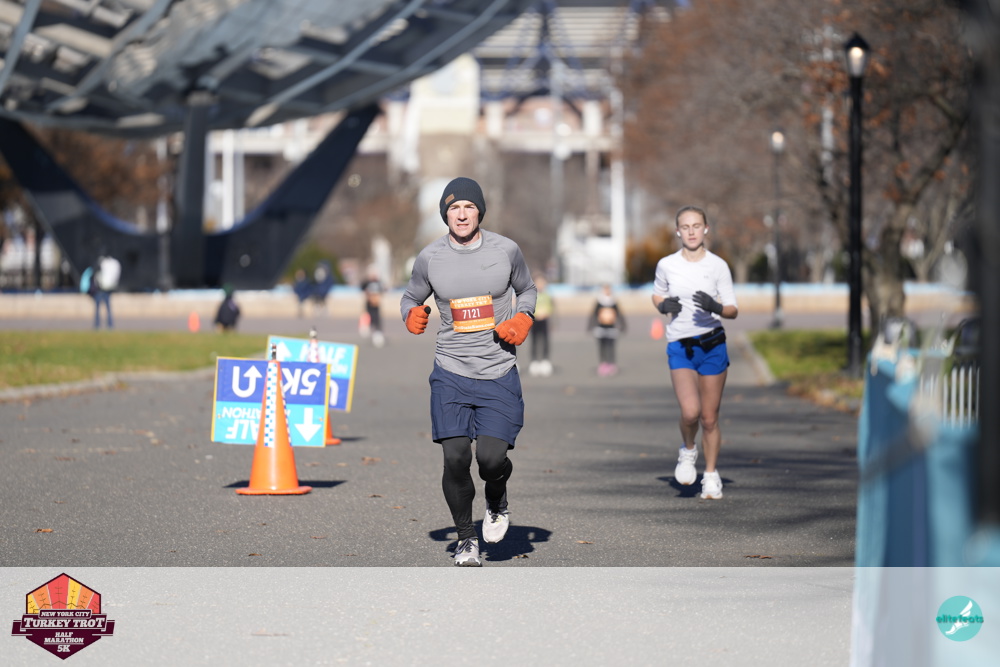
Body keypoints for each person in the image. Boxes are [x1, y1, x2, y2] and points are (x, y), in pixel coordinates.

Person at [400, 176, 537, 567]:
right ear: (446, 214)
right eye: (454, 208)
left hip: (498, 370)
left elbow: (527, 289)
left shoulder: (506, 250)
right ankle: (466, 539)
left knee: (491, 460)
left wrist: (524, 317)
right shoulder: (430, 257)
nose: (461, 214)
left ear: (480, 212)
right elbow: (411, 296)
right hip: (451, 371)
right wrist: (410, 314)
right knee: (456, 457)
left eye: (469, 207)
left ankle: (496, 499)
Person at [651, 205, 738, 500]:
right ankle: (688, 450)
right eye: (685, 227)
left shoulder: (718, 266)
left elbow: (733, 309)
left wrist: (716, 307)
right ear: (678, 231)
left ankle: (711, 475)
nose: (691, 232)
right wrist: (662, 306)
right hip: (681, 345)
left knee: (709, 418)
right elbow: (657, 293)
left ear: (706, 229)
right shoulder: (667, 265)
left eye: (696, 226)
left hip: (712, 345)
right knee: (691, 412)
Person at [589, 284, 626, 376]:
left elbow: (619, 314)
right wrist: (591, 326)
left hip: (611, 329)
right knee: (602, 347)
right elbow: (593, 315)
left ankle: (611, 364)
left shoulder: (613, 302)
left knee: (611, 347)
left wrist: (623, 325)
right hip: (601, 328)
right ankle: (603, 364)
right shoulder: (599, 302)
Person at [528, 274, 554, 377]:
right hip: (534, 321)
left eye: (542, 283)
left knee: (545, 341)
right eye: (538, 283)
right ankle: (534, 361)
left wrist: (546, 314)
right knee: (534, 341)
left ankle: (545, 361)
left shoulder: (547, 295)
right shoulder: (532, 295)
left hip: (544, 321)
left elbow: (551, 307)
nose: (540, 285)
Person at [92, 254, 121, 329]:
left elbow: (98, 274)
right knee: (108, 308)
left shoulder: (103, 263)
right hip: (108, 287)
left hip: (101, 288)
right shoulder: (115, 263)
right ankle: (109, 325)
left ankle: (97, 325)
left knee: (98, 308)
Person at [360, 268, 386, 348]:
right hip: (368, 304)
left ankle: (378, 335)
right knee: (368, 317)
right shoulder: (367, 282)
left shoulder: (378, 283)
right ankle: (366, 328)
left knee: (377, 319)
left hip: (376, 305)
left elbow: (383, 290)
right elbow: (362, 287)